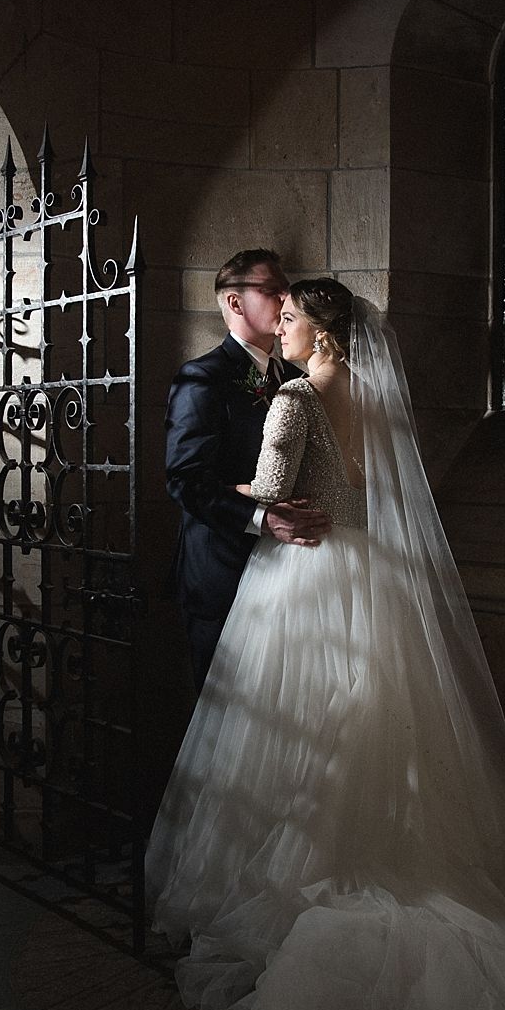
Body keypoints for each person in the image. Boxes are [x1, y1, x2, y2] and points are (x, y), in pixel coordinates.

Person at [147, 279, 505, 1010]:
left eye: (290, 314)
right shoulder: (377, 401)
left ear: (320, 326)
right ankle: (375, 849)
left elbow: (274, 494)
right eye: (272, 312)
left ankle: (306, 887)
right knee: (376, 730)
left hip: (300, 583)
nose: (279, 323)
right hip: (371, 583)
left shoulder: (294, 397)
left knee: (293, 733)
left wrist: (250, 487)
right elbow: (369, 493)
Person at [164, 249, 331, 692]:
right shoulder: (202, 377)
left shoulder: (295, 379)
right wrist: (262, 517)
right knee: (223, 717)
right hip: (221, 569)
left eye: (285, 289)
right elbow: (185, 480)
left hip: (285, 573)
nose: (284, 297)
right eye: (272, 289)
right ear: (235, 303)